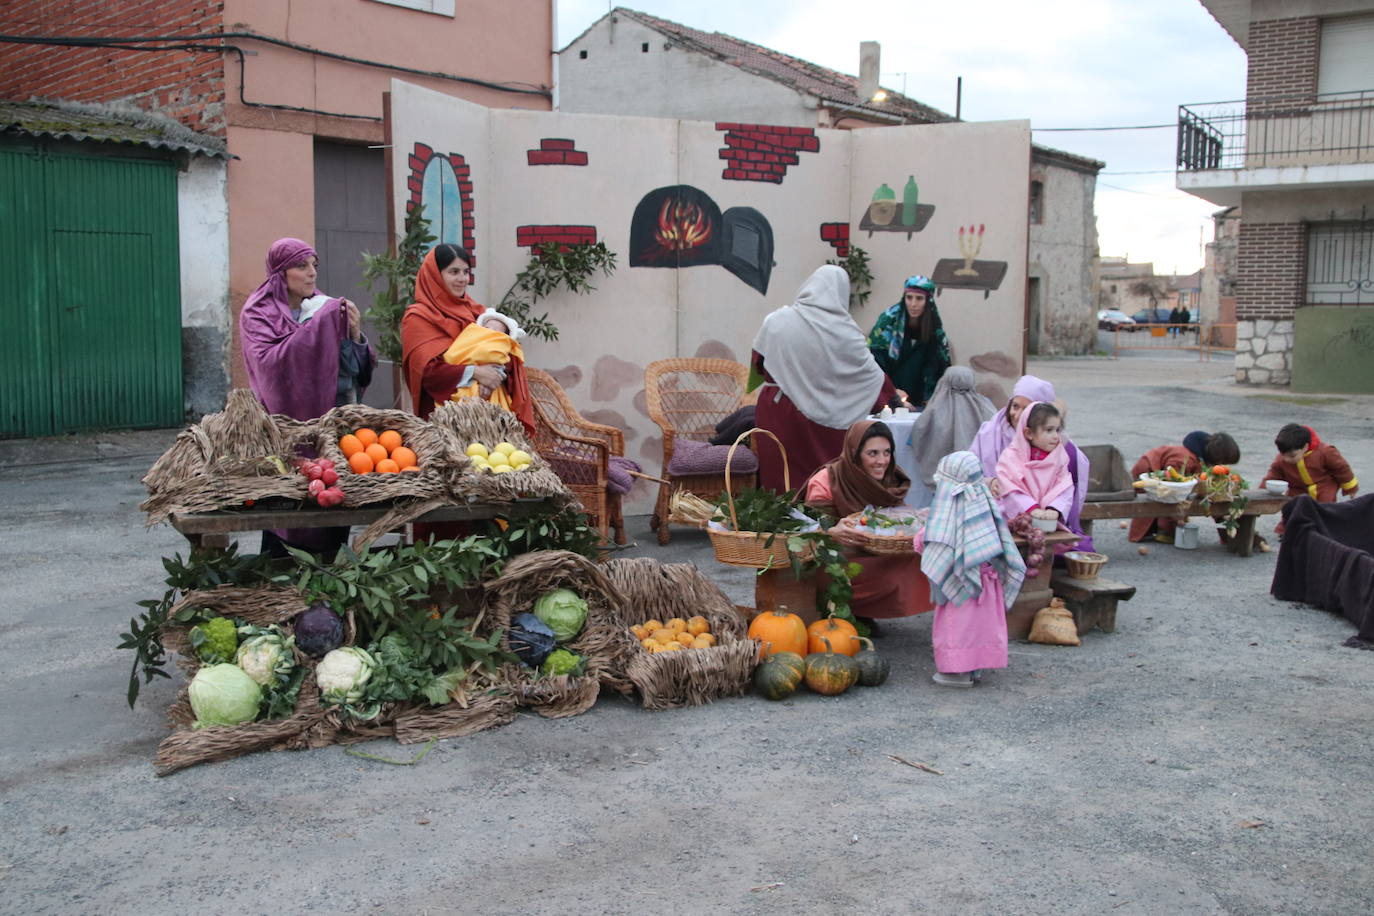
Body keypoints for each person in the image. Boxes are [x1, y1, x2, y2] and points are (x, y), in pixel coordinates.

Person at [239, 237, 372, 558]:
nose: (312, 273)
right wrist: (319, 326)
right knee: (290, 507)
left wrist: (355, 335)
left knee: (332, 501)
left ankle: (330, 588)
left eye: (315, 265)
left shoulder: (322, 306)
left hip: (331, 428)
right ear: (280, 272)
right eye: (302, 266)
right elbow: (271, 366)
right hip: (285, 432)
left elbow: (351, 367)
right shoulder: (258, 313)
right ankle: (281, 588)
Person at [751, 265, 895, 492]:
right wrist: (892, 398)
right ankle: (826, 521)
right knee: (826, 482)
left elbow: (759, 362)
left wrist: (792, 377)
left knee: (781, 476)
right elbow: (871, 376)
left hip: (779, 412)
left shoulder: (777, 320)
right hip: (829, 422)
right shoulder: (847, 333)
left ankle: (780, 523)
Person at [804, 420, 932, 629]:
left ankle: (867, 611)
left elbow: (896, 516)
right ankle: (840, 608)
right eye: (872, 453)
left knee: (920, 552)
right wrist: (833, 531)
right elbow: (809, 527)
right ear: (854, 453)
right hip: (836, 555)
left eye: (887, 452)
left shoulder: (890, 477)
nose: (882, 461)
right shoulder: (828, 480)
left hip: (875, 549)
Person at [917, 451, 1026, 687]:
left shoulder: (949, 514)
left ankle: (956, 671)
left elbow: (932, 541)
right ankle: (975, 666)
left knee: (958, 629)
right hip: (987, 585)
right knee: (982, 627)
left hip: (962, 585)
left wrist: (919, 537)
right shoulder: (985, 505)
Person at [400, 244, 534, 433]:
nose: (462, 279)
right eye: (453, 272)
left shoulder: (477, 312)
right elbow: (427, 373)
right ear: (435, 275)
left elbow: (505, 351)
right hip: (445, 422)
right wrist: (476, 373)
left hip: (491, 420)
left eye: (466, 272)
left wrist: (494, 373)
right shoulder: (418, 318)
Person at [969, 375, 1092, 549]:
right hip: (999, 513)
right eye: (1015, 406)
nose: (1017, 415)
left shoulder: (1057, 446)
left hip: (1045, 519)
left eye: (1026, 409)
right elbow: (970, 474)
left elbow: (1063, 484)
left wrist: (1053, 509)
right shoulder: (990, 434)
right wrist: (991, 483)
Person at [1128, 430, 1240, 543]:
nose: (1222, 466)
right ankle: (1164, 531)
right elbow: (1172, 486)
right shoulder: (1185, 459)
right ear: (1217, 457)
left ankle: (1166, 530)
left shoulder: (1198, 457)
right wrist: (1178, 518)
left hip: (1163, 474)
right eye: (1222, 462)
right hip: (1148, 473)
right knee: (1160, 501)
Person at [866, 275, 952, 407]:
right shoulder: (887, 322)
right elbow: (875, 363)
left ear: (928, 301)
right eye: (909, 297)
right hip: (888, 396)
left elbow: (936, 366)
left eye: (919, 298)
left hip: (920, 398)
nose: (913, 304)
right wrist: (892, 392)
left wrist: (931, 398)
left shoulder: (934, 329)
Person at [995, 403, 1076, 540]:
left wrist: (1054, 509)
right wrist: (1032, 508)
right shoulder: (1010, 458)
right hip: (1012, 521)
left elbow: (1065, 486)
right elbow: (1010, 490)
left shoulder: (1060, 456)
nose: (1056, 436)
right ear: (1029, 433)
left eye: (1057, 430)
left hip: (1047, 522)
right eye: (1049, 430)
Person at [908, 365, 995, 491]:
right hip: (979, 480)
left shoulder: (935, 409)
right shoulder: (985, 406)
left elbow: (919, 433)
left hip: (942, 481)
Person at [442, 308, 528, 413]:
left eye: (495, 332)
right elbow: (454, 355)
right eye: (487, 327)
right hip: (461, 385)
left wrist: (488, 384)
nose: (489, 332)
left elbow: (499, 368)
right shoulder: (470, 338)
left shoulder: (500, 348)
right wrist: (472, 371)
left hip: (486, 391)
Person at [1262, 424, 1359, 503]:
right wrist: (1261, 493)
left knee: (1324, 517)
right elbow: (1272, 476)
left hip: (1323, 491)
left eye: (1292, 456)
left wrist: (1351, 488)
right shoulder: (1281, 460)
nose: (1286, 460)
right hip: (1297, 493)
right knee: (1291, 517)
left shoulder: (1325, 452)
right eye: (1283, 455)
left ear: (1305, 447)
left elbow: (1342, 469)